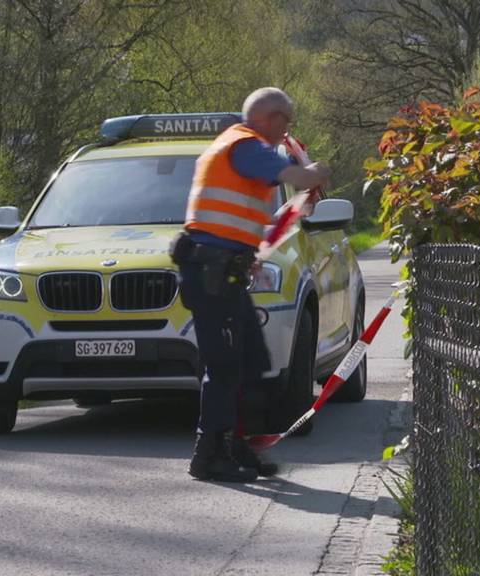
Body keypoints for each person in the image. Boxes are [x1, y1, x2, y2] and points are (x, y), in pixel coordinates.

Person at [171, 87, 331, 482]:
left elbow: (237, 218)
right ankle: (209, 455)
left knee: (251, 363)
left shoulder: (239, 148)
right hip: (212, 275)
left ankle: (236, 445)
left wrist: (252, 257)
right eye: (287, 121)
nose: (287, 130)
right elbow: (292, 175)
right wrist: (315, 172)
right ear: (271, 118)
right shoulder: (246, 145)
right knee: (225, 367)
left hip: (226, 271)